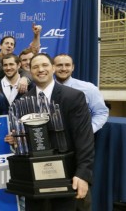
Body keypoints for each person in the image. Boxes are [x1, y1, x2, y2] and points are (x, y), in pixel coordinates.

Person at [6, 53, 94, 211]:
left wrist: (82, 174)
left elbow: (84, 139)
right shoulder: (22, 101)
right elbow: (25, 138)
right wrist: (17, 140)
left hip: (68, 178)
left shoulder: (73, 97)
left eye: (45, 65)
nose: (41, 70)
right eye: (35, 67)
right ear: (30, 71)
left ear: (53, 68)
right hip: (35, 182)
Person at [53, 54, 109, 134]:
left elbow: (101, 112)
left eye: (67, 65)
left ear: (73, 68)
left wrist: (89, 130)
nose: (64, 68)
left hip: (80, 140)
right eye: (59, 65)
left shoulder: (89, 88)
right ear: (52, 67)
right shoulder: (46, 89)